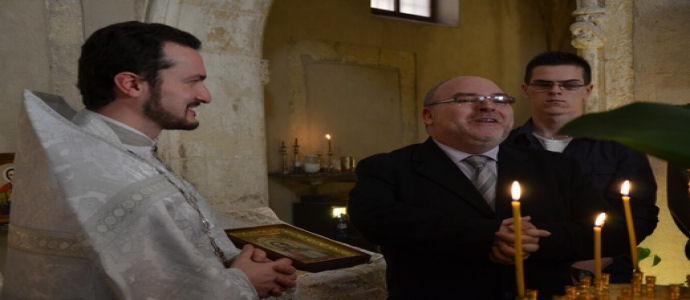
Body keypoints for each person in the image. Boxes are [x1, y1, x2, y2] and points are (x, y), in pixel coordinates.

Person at [3, 21, 296, 299]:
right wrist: (245, 281)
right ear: (131, 84)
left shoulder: (108, 152)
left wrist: (238, 260)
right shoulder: (110, 175)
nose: (205, 96)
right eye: (192, 82)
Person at [348, 76, 628, 299]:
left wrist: (533, 242)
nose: (488, 106)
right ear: (428, 116)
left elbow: (611, 232)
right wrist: (488, 235)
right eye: (467, 100)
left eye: (500, 100)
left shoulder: (557, 167)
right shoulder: (388, 167)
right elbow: (376, 222)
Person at [503, 51, 658, 283]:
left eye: (569, 85)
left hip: (603, 272)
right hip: (522, 269)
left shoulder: (620, 146)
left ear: (588, 90)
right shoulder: (504, 146)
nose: (556, 91)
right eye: (544, 84)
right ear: (526, 90)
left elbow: (638, 213)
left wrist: (595, 260)